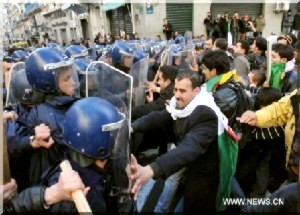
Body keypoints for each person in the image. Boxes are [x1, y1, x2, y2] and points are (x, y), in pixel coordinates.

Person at [131, 69, 238, 213]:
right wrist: (131, 127)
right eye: (175, 89)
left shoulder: (206, 114)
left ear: (196, 91)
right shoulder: (181, 104)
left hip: (205, 170)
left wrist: (151, 169)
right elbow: (161, 116)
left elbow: (190, 146)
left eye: (182, 91)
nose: (176, 95)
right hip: (192, 163)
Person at [3, 97, 134, 214]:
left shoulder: (76, 167)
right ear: (98, 144)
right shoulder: (81, 194)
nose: (117, 140)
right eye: (114, 135)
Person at [14, 47, 80, 186]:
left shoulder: (57, 105)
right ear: (50, 84)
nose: (73, 82)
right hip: (57, 183)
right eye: (67, 79)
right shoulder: (48, 116)